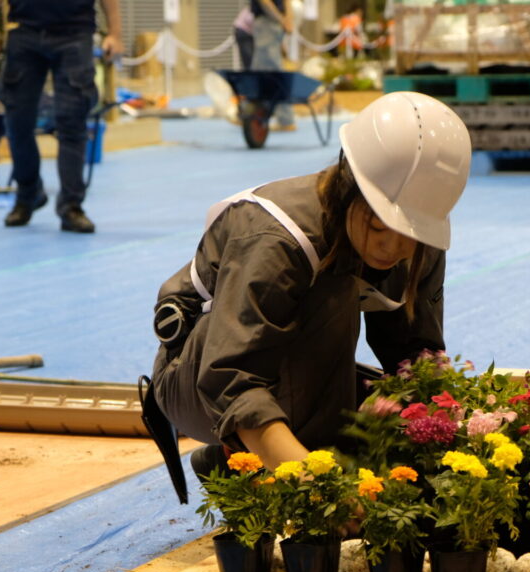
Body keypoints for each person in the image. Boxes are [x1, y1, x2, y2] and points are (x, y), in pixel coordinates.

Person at [147, 92, 472, 479]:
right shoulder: (278, 237)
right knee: (334, 293)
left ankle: (236, 463)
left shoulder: (418, 239)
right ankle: (251, 457)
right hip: (198, 379)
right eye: (380, 225)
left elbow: (414, 356)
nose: (396, 247)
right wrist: (315, 478)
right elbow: (231, 377)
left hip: (294, 374)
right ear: (348, 186)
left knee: (395, 415)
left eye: (412, 233)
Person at [0, 0, 122, 234]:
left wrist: (115, 32)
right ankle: (29, 193)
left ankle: (71, 206)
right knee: (17, 120)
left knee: (72, 119)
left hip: (75, 31)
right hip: (24, 29)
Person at [250, 0, 295, 132]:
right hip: (273, 23)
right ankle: (250, 114)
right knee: (259, 71)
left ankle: (286, 119)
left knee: (273, 73)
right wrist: (287, 20)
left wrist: (283, 20)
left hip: (268, 23)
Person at [233, 6, 255, 70]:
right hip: (243, 32)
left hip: (248, 32)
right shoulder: (255, 8)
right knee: (249, 62)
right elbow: (249, 19)